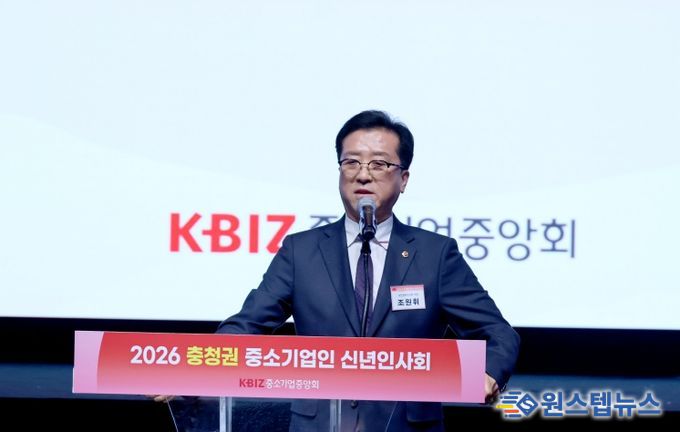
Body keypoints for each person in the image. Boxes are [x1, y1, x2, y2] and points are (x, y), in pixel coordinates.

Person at [216, 110, 520, 431]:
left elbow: (498, 333)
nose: (363, 175)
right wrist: (195, 370)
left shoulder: (436, 255)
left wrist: (488, 373)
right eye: (351, 162)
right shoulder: (300, 251)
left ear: (403, 179)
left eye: (379, 164)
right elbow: (247, 325)